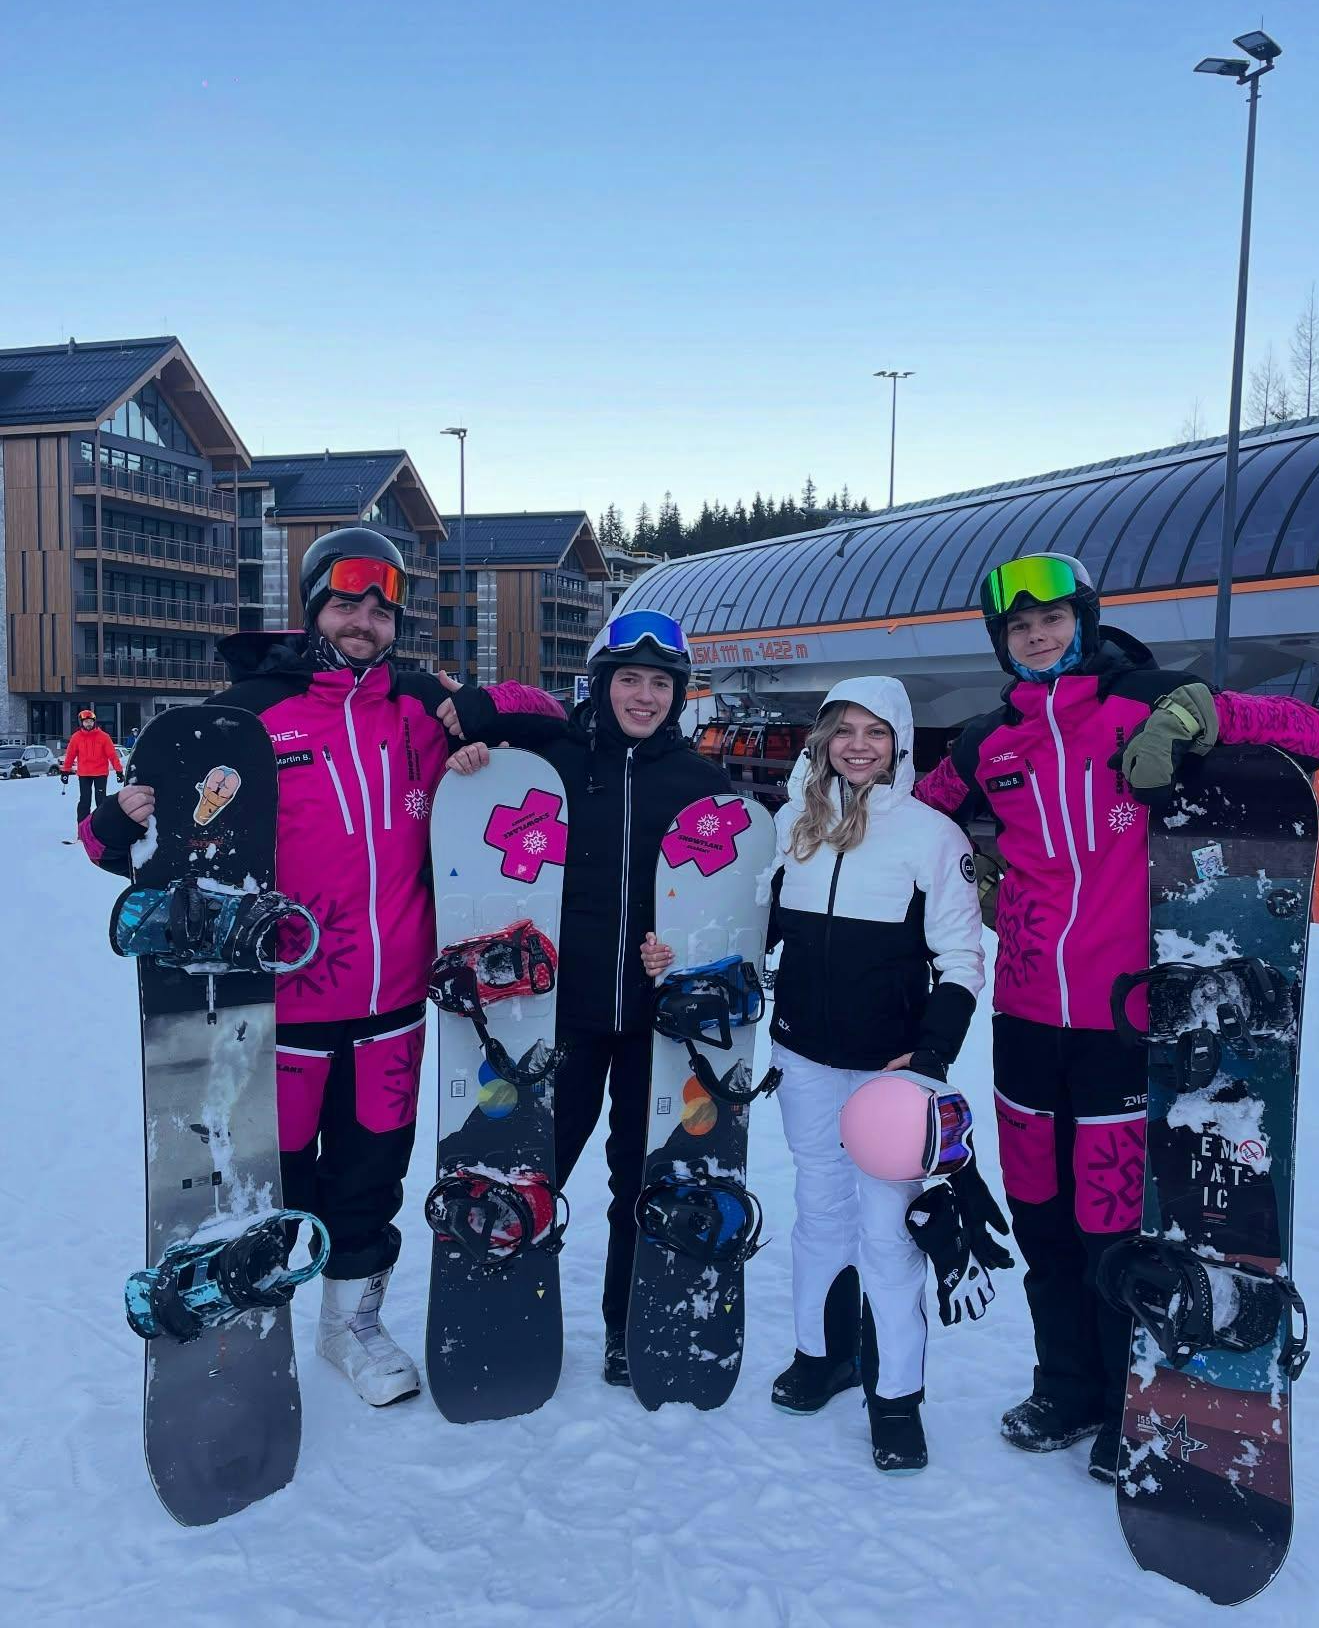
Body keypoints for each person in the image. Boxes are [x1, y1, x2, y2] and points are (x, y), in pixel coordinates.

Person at [80, 527, 563, 1407]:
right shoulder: (251, 715)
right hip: (286, 1008)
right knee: (279, 1176)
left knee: (372, 1171)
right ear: (313, 609)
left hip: (394, 1005)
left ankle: (352, 1327)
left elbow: (557, 722)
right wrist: (117, 825)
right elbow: (142, 859)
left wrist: (484, 713)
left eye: (382, 610)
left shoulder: (422, 708)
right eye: (347, 604)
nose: (365, 623)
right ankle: (265, 1320)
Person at [913, 551, 1319, 1485]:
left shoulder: (1147, 703)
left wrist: (1207, 714)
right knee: (1040, 1219)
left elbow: (1315, 735)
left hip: (1125, 1023)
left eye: (1053, 620)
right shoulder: (987, 745)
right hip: (1023, 1022)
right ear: (1001, 642)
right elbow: (907, 817)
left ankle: (1125, 1399)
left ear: (1085, 621)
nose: (1037, 636)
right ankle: (1063, 1387)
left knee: (1111, 1227)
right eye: (1019, 628)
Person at [644, 676, 984, 1473]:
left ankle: (895, 1398)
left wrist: (930, 1057)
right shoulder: (792, 826)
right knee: (819, 1213)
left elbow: (963, 961)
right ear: (823, 738)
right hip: (801, 1055)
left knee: (888, 1232)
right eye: (844, 731)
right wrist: (679, 956)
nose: (858, 746)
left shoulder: (932, 837)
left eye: (876, 732)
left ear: (900, 741)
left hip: (890, 1073)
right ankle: (823, 1354)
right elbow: (747, 932)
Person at [447, 609, 731, 1388]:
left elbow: (733, 911)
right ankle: (504, 1312)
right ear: (601, 685)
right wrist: (470, 750)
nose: (644, 696)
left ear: (680, 694)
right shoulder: (548, 763)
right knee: (534, 1168)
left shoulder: (703, 787)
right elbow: (480, 731)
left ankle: (625, 1325)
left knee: (641, 1181)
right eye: (629, 680)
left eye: (661, 683)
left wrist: (683, 948)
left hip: (654, 1025)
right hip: (554, 1015)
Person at [61, 709, 124, 828]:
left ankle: (102, 827)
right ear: (81, 723)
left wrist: (119, 771)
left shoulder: (104, 737)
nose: (88, 724)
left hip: (100, 773)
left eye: (90, 721)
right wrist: (65, 771)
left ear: (94, 722)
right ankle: (83, 829)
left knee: (101, 801)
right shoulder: (76, 737)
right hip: (84, 774)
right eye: (86, 722)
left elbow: (112, 755)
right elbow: (70, 756)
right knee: (85, 801)